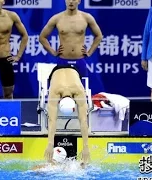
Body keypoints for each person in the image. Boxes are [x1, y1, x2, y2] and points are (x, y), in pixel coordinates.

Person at [39, 0, 102, 165]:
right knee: (73, 96)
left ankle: (83, 135)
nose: (71, 1)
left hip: (80, 62)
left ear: (79, 1)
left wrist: (89, 51)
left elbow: (99, 35)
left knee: (82, 104)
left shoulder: (86, 17)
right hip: (62, 61)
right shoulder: (57, 18)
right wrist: (53, 51)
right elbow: (42, 37)